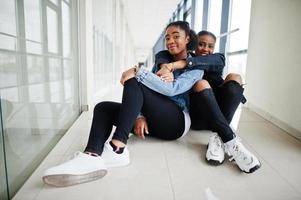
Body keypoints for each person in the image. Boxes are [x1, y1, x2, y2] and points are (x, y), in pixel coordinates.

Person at [42, 21, 203, 187]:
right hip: (152, 122)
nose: (170, 41)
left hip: (175, 123)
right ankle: (91, 155)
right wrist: (139, 115)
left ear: (188, 38)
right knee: (103, 108)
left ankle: (118, 147)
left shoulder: (196, 66)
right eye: (168, 37)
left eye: (176, 37)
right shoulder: (162, 60)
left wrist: (137, 71)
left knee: (135, 80)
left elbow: (172, 90)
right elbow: (149, 91)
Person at [155, 30, 261, 173]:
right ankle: (231, 140)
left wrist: (176, 65)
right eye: (201, 44)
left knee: (235, 77)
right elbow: (161, 56)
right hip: (199, 116)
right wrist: (166, 66)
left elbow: (219, 61)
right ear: (193, 44)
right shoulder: (184, 56)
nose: (206, 49)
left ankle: (218, 137)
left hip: (221, 114)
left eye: (210, 46)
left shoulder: (216, 60)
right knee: (201, 82)